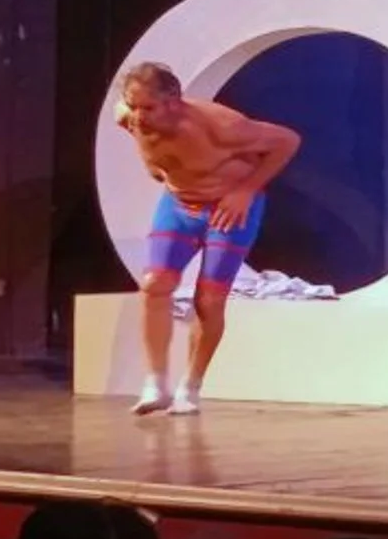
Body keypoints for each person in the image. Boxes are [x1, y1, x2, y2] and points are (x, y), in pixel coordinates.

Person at [114, 62, 301, 415]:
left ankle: (191, 386)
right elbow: (133, 126)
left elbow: (287, 140)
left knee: (209, 301)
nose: (138, 116)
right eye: (133, 106)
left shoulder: (221, 126)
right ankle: (156, 384)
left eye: (148, 108)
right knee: (154, 285)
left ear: (174, 101)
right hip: (179, 204)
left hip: (226, 209)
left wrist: (246, 190)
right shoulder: (129, 117)